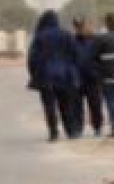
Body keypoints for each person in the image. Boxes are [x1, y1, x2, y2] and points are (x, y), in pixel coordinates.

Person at [26, 10, 82, 142]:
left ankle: (53, 133)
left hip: (46, 76)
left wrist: (34, 74)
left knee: (49, 106)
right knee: (66, 104)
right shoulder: (67, 35)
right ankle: (71, 131)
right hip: (65, 76)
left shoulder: (39, 37)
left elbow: (32, 59)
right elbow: (76, 55)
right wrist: (74, 71)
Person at [72, 17, 104, 137]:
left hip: (93, 78)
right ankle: (78, 129)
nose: (79, 28)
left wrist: (99, 72)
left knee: (95, 104)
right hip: (77, 78)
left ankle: (97, 127)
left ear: (86, 25)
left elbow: (101, 58)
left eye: (81, 25)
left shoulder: (96, 40)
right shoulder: (72, 41)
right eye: (77, 26)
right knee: (76, 106)